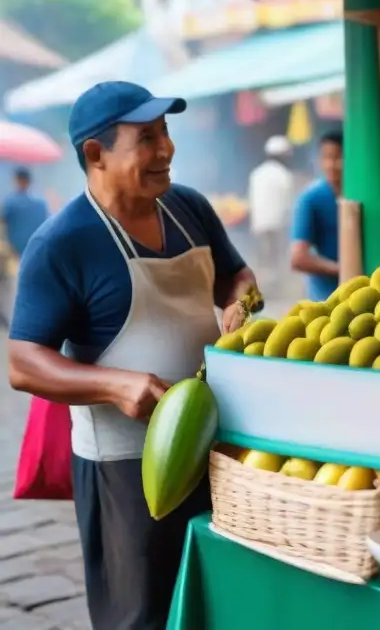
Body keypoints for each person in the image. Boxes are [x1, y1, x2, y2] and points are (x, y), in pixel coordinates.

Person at [6, 81, 259, 629]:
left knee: (213, 603)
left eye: (165, 133)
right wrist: (115, 385)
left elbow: (233, 275)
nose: (166, 149)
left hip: (216, 448)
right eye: (146, 138)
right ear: (95, 154)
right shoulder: (63, 243)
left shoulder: (188, 207)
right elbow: (23, 362)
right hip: (124, 470)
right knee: (139, 614)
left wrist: (241, 302)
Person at [291, 131, 342, 302]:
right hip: (324, 299)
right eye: (326, 157)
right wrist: (342, 269)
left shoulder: (362, 195)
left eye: (338, 157)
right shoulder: (311, 199)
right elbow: (298, 258)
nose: (331, 164)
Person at [247, 135, 294, 293]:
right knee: (275, 257)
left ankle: (262, 287)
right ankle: (273, 289)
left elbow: (252, 199)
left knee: (263, 256)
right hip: (278, 223)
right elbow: (289, 202)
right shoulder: (284, 175)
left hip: (259, 222)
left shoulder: (256, 173)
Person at [2, 167, 49, 257]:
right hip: (36, 248)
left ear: (16, 180)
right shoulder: (41, 203)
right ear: (29, 181)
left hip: (14, 250)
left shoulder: (11, 202)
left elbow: (3, 223)